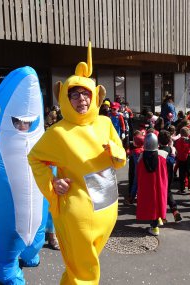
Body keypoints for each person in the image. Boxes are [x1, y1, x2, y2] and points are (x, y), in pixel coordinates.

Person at [28, 43, 126, 284]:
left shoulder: (104, 123)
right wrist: (53, 183)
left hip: (107, 206)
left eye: (86, 94)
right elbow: (35, 158)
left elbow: (121, 155)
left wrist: (116, 153)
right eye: (74, 94)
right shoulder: (58, 132)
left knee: (78, 266)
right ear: (65, 97)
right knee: (84, 269)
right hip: (78, 210)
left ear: (94, 96)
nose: (81, 99)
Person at [136, 133, 168, 236]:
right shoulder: (162, 156)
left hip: (147, 186)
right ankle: (155, 224)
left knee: (150, 204)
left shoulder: (141, 157)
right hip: (158, 184)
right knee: (158, 201)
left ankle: (154, 227)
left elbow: (138, 171)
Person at [158, 130, 182, 222]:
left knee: (161, 194)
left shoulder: (158, 151)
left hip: (161, 174)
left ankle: (162, 216)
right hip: (170, 174)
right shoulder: (171, 150)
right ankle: (175, 211)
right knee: (168, 192)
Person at [174, 127, 190, 194]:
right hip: (188, 157)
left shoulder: (178, 141)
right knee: (189, 173)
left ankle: (182, 188)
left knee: (182, 174)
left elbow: (177, 148)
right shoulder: (188, 140)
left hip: (181, 158)